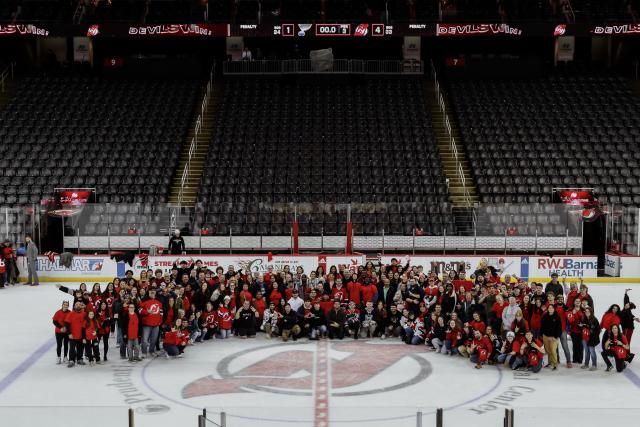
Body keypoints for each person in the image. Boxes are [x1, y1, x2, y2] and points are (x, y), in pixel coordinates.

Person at [139, 289, 163, 358]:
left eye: (153, 293)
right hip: (146, 324)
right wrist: (147, 312)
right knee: (145, 340)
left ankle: (151, 351)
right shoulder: (144, 300)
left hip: (156, 325)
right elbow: (139, 310)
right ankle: (144, 352)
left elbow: (161, 312)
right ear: (148, 293)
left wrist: (160, 321)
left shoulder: (158, 301)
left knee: (154, 340)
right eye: (151, 293)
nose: (152, 294)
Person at [540, 304, 562, 370]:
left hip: (553, 337)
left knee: (553, 351)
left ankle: (555, 364)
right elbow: (542, 325)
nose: (550, 309)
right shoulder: (545, 316)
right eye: (549, 308)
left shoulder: (557, 317)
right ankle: (550, 362)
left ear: (554, 309)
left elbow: (559, 328)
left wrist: (556, 336)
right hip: (545, 336)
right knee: (548, 351)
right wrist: (542, 334)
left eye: (552, 308)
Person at [65, 301, 86, 368]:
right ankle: (71, 360)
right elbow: (67, 324)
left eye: (79, 304)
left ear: (81, 306)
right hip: (73, 335)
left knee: (80, 348)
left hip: (81, 335)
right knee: (72, 348)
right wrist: (69, 333)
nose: (78, 305)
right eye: (76, 304)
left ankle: (79, 359)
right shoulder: (71, 314)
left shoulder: (84, 314)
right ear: (74, 306)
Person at [580, 307, 601, 371]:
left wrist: (590, 330)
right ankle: (586, 364)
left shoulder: (595, 320)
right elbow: (583, 327)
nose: (587, 313)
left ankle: (594, 365)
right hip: (585, 338)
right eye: (586, 311)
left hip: (592, 339)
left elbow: (597, 331)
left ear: (591, 312)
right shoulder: (584, 318)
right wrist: (582, 326)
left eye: (588, 311)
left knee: (592, 352)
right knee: (586, 352)